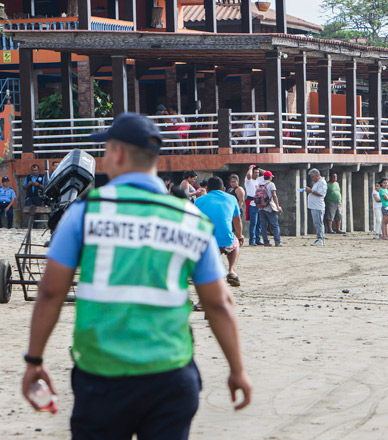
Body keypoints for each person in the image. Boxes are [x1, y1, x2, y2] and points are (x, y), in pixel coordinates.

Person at [21, 113, 251, 439]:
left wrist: (35, 360)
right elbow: (218, 303)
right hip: (171, 376)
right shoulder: (187, 217)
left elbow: (50, 293)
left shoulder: (86, 212)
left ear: (116, 154)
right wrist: (237, 370)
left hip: (102, 378)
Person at [196, 176, 244, 286]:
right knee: (235, 242)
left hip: (206, 241)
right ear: (223, 189)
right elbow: (237, 220)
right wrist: (240, 235)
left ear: (207, 189)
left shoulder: (199, 201)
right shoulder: (232, 199)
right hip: (225, 239)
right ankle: (231, 270)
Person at [258, 171, 283, 246]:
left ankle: (266, 241)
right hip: (269, 207)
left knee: (263, 226)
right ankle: (277, 241)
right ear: (270, 177)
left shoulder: (260, 184)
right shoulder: (271, 184)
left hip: (261, 207)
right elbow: (274, 196)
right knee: (275, 225)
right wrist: (278, 207)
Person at [306, 168, 327, 246]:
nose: (312, 179)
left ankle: (321, 239)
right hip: (314, 206)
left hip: (318, 206)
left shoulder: (322, 183)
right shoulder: (317, 182)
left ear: (317, 175)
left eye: (312, 177)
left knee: (319, 223)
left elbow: (321, 194)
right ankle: (319, 238)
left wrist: (310, 191)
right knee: (316, 223)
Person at [244, 165, 264, 246]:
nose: (257, 174)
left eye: (258, 173)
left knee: (259, 223)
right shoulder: (249, 180)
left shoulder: (259, 180)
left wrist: (258, 168)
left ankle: (257, 239)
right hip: (252, 204)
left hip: (259, 204)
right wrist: (250, 168)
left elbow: (266, 173)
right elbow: (248, 175)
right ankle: (252, 240)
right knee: (253, 223)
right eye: (255, 173)